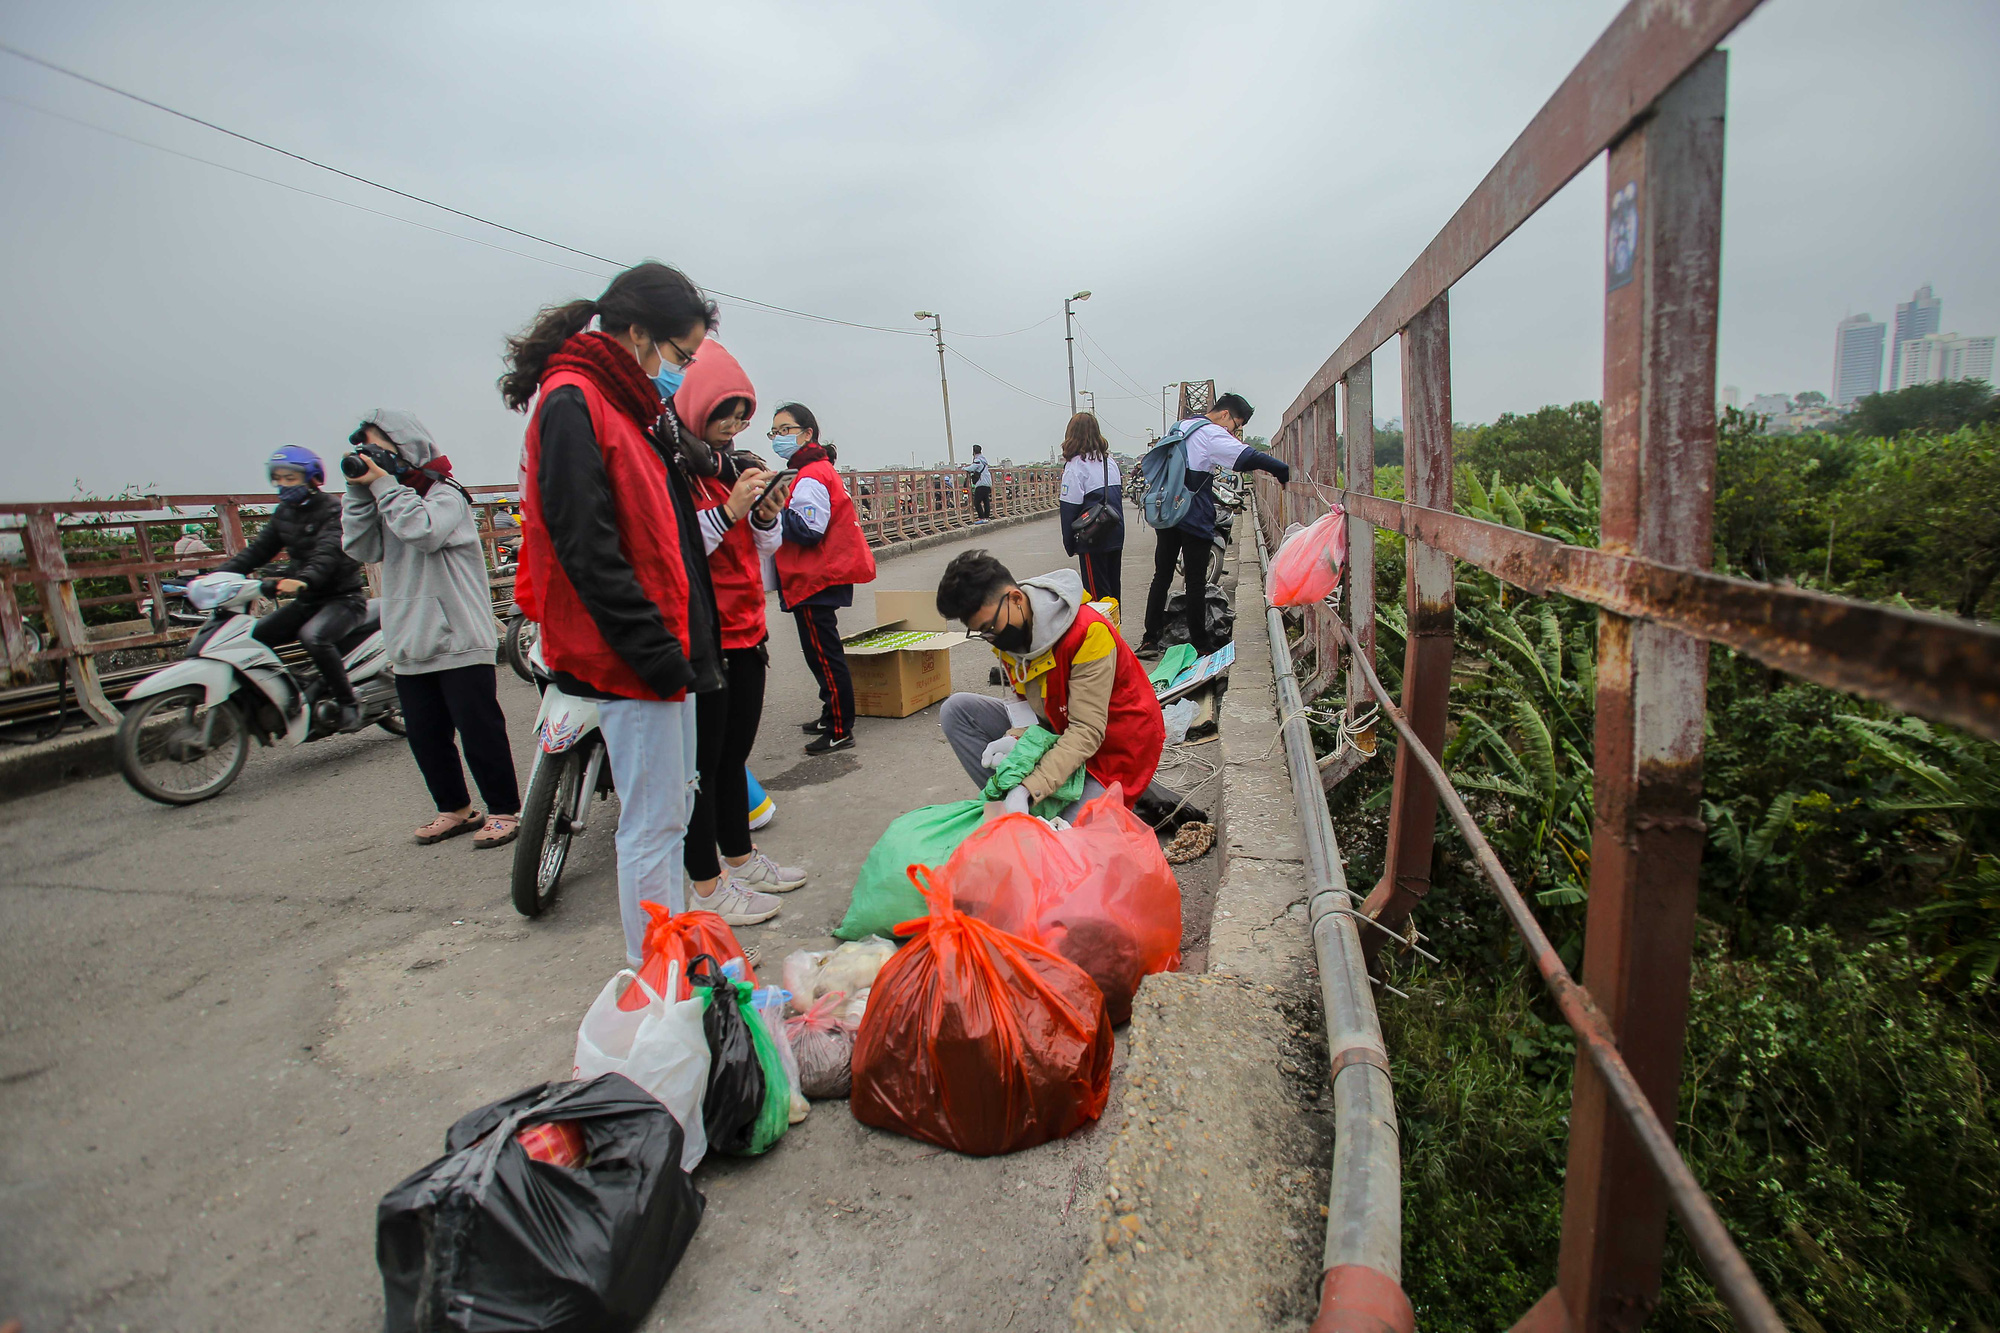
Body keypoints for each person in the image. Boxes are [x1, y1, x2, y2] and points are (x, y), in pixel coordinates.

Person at [505, 261, 776, 963]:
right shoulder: (573, 402)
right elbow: (586, 549)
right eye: (679, 356)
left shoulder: (627, 403)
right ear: (636, 334)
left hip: (669, 648)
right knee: (654, 828)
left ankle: (675, 957)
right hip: (632, 656)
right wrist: (658, 654)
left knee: (674, 808)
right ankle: (659, 976)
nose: (680, 373)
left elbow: (677, 496)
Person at [341, 409, 522, 849]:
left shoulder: (447, 496)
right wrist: (358, 491)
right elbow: (359, 547)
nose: (372, 459)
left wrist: (383, 485)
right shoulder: (387, 500)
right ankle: (455, 810)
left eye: (379, 449)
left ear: (407, 448)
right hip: (408, 639)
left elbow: (423, 531)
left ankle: (503, 810)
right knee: (425, 734)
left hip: (458, 636)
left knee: (478, 729)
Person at [670, 341, 810, 902]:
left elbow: (762, 547)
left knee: (733, 757)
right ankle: (708, 883)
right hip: (706, 635)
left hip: (747, 627)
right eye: (723, 415)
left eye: (740, 417)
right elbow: (676, 550)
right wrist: (728, 510)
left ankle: (741, 858)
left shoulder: (731, 465)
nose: (732, 427)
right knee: (703, 765)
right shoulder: (676, 468)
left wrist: (766, 515)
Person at [935, 551, 1163, 820]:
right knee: (957, 710)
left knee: (1068, 842)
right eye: (982, 632)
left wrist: (1028, 789)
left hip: (1109, 750)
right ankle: (1009, 802)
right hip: (1055, 726)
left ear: (1016, 599)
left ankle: (1035, 802)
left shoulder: (1088, 633)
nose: (991, 638)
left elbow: (1086, 731)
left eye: (990, 627)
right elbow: (1025, 705)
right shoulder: (1007, 634)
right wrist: (1015, 737)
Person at [217, 446, 367, 731]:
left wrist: (304, 579)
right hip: (307, 599)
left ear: (311, 478)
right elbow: (258, 551)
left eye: (291, 478)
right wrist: (215, 577)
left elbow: (328, 553)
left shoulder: (332, 509)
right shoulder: (284, 513)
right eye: (279, 478)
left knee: (314, 637)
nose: (284, 485)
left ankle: (349, 703)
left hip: (343, 599)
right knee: (255, 637)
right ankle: (299, 687)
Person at [1139, 392, 1291, 658]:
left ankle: (1150, 639)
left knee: (1161, 575)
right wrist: (1281, 469)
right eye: (1236, 424)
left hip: (1168, 509)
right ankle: (1199, 644)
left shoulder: (1181, 426)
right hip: (1193, 512)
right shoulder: (1211, 432)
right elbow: (1246, 458)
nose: (1234, 431)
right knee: (1195, 580)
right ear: (1224, 414)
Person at [769, 403, 876, 756]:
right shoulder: (813, 471)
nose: (779, 438)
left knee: (824, 654)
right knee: (820, 652)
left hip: (815, 578)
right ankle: (831, 714)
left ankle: (840, 727)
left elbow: (809, 529)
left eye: (786, 430)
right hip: (815, 577)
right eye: (775, 432)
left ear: (807, 432)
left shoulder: (811, 475)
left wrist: (772, 510)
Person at [1058, 412, 1125, 606]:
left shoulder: (1076, 466)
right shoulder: (1109, 462)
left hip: (1093, 537)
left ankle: (1105, 635)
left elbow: (1069, 510)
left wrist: (1070, 544)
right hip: (1114, 531)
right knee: (1113, 593)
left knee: (1098, 598)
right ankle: (1115, 633)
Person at [964, 444, 993, 521]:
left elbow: (971, 468)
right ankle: (987, 517)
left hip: (981, 483)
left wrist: (964, 468)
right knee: (986, 500)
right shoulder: (984, 460)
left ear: (973, 452)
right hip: (987, 483)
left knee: (977, 502)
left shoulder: (977, 460)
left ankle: (981, 517)